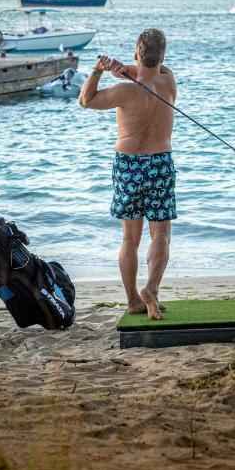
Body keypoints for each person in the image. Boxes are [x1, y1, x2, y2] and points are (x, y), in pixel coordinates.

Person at [78, 29, 177, 320]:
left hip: (129, 164)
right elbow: (156, 69)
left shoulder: (125, 91)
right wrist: (125, 69)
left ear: (135, 54)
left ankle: (133, 300)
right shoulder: (169, 82)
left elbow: (86, 100)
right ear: (162, 56)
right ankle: (152, 289)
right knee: (161, 232)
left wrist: (100, 69)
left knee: (129, 239)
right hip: (160, 161)